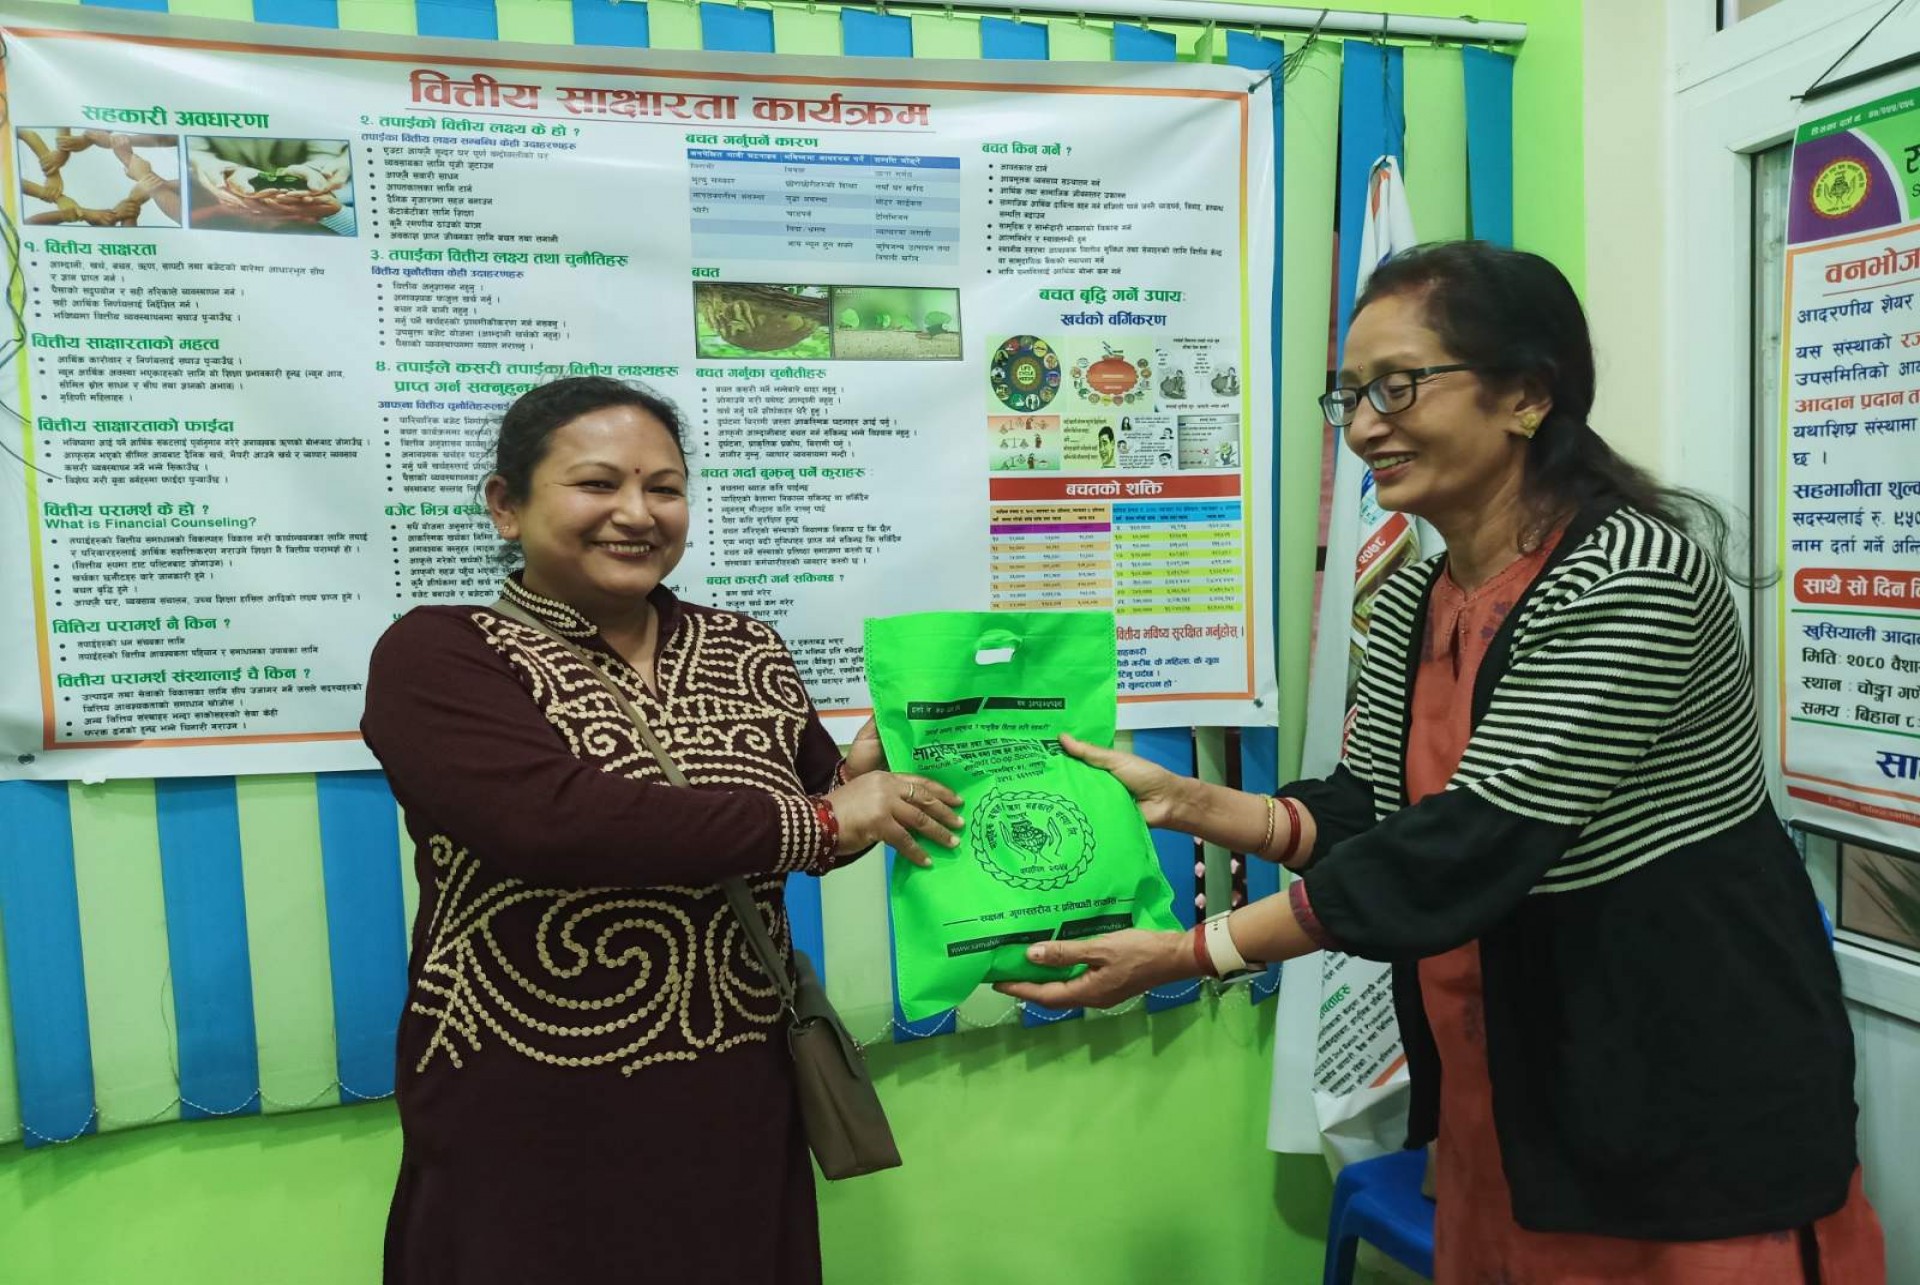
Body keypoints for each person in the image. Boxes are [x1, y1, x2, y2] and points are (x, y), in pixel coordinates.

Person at [998, 242, 1885, 1283]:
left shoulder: (1630, 572)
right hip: (1509, 1083)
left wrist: (1195, 952)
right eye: (1350, 394)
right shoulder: (1421, 593)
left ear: (1527, 396)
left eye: (1399, 385)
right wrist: (1187, 801)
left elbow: (1466, 844)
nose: (1365, 424)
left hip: (1678, 1085)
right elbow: (1374, 814)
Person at [361, 376, 961, 1284]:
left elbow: (815, 831)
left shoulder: (746, 648)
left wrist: (861, 784)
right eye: (597, 484)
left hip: (738, 1094)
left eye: (665, 488)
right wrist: (823, 815)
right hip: (527, 1107)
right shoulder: (440, 652)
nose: (637, 513)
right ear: (505, 505)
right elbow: (550, 821)